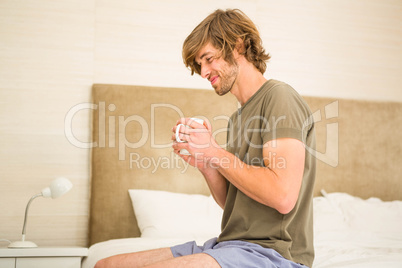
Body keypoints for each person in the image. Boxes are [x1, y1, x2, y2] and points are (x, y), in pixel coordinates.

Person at [95, 8, 315, 268]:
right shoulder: (238, 117)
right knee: (105, 265)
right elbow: (233, 205)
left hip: (273, 255)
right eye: (200, 64)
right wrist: (205, 164)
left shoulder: (279, 97)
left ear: (238, 45)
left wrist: (213, 152)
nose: (203, 72)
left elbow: (282, 196)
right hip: (229, 245)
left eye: (208, 59)